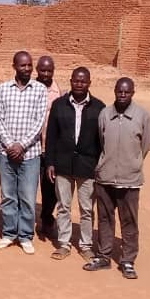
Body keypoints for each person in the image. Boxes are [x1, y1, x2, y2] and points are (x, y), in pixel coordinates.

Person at [84, 77, 150, 280]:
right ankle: (104, 256)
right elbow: (101, 140)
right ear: (114, 91)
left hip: (130, 179)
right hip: (105, 178)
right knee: (105, 219)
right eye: (119, 91)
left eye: (127, 92)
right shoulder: (105, 114)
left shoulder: (142, 116)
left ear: (133, 93)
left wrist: (132, 163)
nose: (122, 95)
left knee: (129, 221)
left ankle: (128, 260)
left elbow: (145, 146)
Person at [45, 67, 105, 261]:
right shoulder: (59, 105)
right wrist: (50, 162)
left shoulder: (99, 108)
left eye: (83, 81)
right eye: (76, 81)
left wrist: (99, 166)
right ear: (70, 81)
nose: (79, 84)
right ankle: (64, 243)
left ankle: (86, 245)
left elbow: (102, 140)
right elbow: (52, 136)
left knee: (86, 209)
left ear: (89, 83)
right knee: (63, 206)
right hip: (62, 165)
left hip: (88, 167)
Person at [0, 51, 48, 254]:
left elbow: (39, 121)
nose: (26, 69)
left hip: (30, 153)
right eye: (22, 65)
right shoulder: (3, 89)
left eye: (29, 65)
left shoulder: (40, 90)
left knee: (26, 196)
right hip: (5, 152)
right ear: (14, 66)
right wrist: (10, 145)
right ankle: (9, 233)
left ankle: (25, 235)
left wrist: (21, 146)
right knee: (8, 196)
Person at [35, 55, 61, 239]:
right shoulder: (30, 87)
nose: (45, 74)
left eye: (49, 70)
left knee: (49, 187)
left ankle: (46, 218)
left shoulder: (59, 92)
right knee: (27, 187)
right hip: (30, 147)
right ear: (37, 69)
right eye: (42, 70)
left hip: (49, 148)